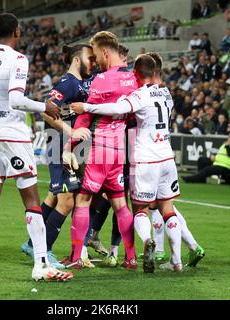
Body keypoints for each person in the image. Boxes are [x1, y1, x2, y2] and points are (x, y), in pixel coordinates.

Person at [72, 54, 203, 272]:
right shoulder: (167, 93)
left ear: (135, 74)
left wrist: (86, 107)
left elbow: (116, 109)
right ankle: (177, 262)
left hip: (146, 159)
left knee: (140, 209)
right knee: (168, 209)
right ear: (157, 73)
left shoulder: (140, 95)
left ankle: (146, 241)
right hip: (168, 158)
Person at [0, 13, 72, 283]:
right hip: (12, 136)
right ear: (16, 31)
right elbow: (15, 99)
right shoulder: (18, 58)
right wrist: (44, 106)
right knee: (31, 200)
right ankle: (41, 265)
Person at [63, 31, 138, 269]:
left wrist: (69, 145)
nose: (95, 62)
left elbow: (85, 116)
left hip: (101, 149)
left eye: (96, 55)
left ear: (105, 52)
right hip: (120, 150)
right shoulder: (133, 79)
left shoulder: (101, 80)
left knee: (83, 201)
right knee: (120, 204)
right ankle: (132, 258)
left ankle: (76, 258)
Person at [20, 43, 96, 269]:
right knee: (67, 201)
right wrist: (70, 131)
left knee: (54, 196)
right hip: (58, 145)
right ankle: (43, 247)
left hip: (69, 148)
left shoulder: (80, 83)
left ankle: (31, 242)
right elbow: (46, 109)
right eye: (88, 58)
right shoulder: (68, 83)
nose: (92, 62)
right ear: (76, 60)